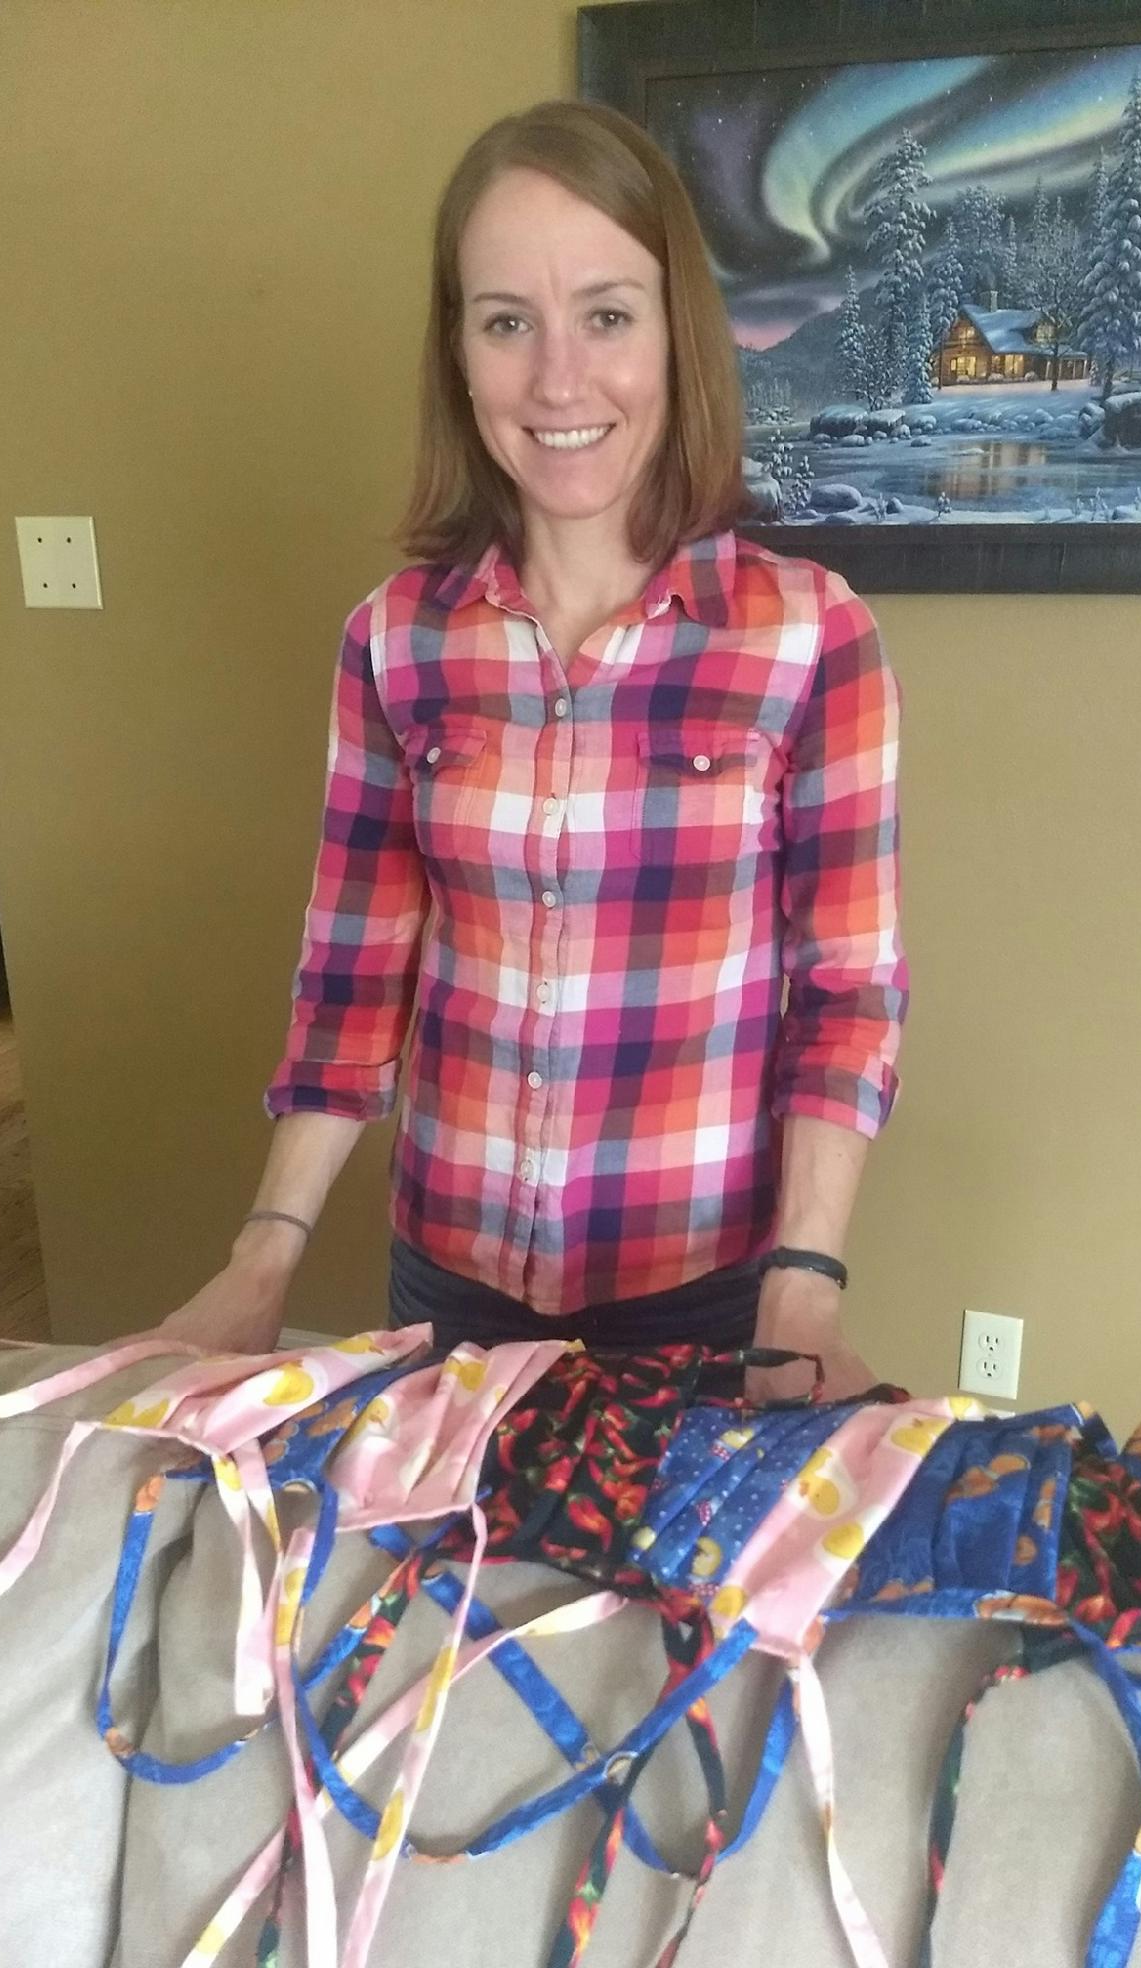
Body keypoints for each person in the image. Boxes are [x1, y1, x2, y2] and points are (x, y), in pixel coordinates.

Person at [158, 100, 906, 1399]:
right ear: (458, 352)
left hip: (711, 1299)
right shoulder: (394, 643)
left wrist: (804, 1284)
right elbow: (351, 983)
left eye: (607, 314)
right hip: (448, 1289)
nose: (559, 379)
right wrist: (265, 1254)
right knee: (454, 1602)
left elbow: (847, 1003)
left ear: (680, 336)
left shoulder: (810, 638)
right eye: (508, 321)